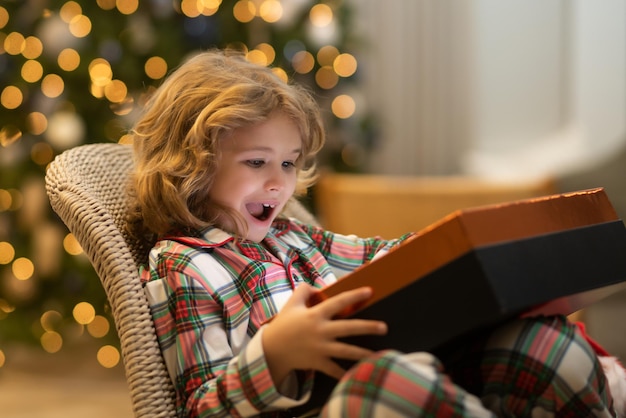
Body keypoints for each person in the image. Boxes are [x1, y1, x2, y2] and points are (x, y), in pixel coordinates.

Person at [127, 49, 618, 417]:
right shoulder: (183, 264)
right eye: (256, 162)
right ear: (191, 163)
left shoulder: (295, 238)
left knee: (537, 345)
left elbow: (390, 257)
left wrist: (477, 261)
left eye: (288, 163)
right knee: (391, 379)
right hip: (340, 404)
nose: (279, 182)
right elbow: (200, 407)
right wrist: (274, 354)